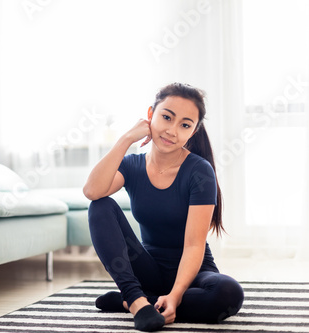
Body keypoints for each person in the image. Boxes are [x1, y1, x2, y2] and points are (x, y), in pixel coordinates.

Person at [83, 83, 244, 332]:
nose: (172, 130)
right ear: (150, 115)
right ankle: (137, 301)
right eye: (166, 117)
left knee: (228, 293)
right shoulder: (132, 165)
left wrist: (177, 294)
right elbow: (92, 191)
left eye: (185, 124)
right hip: (149, 267)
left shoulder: (199, 171)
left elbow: (194, 245)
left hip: (193, 274)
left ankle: (138, 301)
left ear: (193, 131)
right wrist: (126, 139)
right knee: (100, 206)